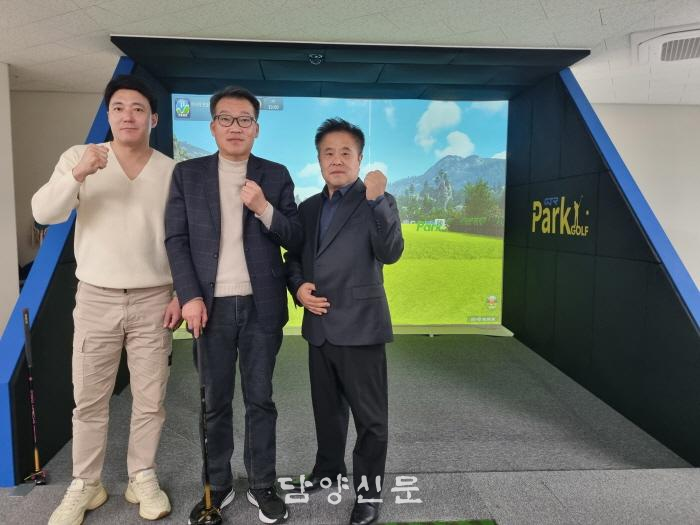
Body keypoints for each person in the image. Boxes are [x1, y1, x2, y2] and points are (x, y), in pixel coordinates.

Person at [32, 75, 181, 525]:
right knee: (90, 400)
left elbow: (181, 240)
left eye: (138, 108)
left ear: (153, 119)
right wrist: (78, 174)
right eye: (118, 108)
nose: (127, 116)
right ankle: (86, 484)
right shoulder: (80, 158)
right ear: (109, 114)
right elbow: (43, 212)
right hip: (96, 298)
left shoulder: (170, 170)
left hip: (154, 298)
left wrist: (178, 292)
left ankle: (142, 476)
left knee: (150, 398)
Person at [164, 86, 302, 525]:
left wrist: (263, 208)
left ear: (256, 129)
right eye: (226, 118)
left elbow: (294, 236)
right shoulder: (188, 174)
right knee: (214, 402)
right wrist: (189, 295)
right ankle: (218, 484)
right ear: (212, 126)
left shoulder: (275, 175)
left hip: (262, 306)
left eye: (245, 120)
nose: (235, 127)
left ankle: (262, 484)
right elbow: (176, 239)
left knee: (260, 400)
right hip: (210, 308)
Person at [285, 118, 404, 525]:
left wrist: (377, 199)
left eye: (345, 152)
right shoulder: (308, 208)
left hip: (361, 326)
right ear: (319, 159)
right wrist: (298, 287)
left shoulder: (375, 199)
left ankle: (368, 493)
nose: (336, 160)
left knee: (370, 419)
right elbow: (293, 259)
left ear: (359, 158)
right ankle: (328, 470)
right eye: (328, 153)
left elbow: (390, 252)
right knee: (327, 411)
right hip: (319, 327)